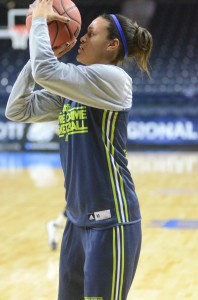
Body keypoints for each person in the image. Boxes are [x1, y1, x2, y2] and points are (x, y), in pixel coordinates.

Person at [5, 0, 153, 299]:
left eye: (90, 33)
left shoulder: (114, 80)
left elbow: (48, 71)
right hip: (76, 220)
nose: (81, 38)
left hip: (111, 221)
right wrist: (34, 64)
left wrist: (41, 26)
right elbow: (17, 109)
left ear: (112, 46)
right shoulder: (73, 90)